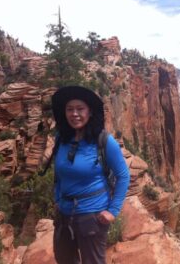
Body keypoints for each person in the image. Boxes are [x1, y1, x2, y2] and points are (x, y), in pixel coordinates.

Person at [51, 85, 130, 264]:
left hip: (92, 217)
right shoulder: (61, 138)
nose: (74, 114)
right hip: (64, 214)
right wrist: (57, 198)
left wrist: (113, 211)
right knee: (64, 259)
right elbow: (58, 173)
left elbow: (123, 175)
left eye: (80, 109)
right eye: (70, 109)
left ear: (90, 112)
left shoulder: (104, 141)